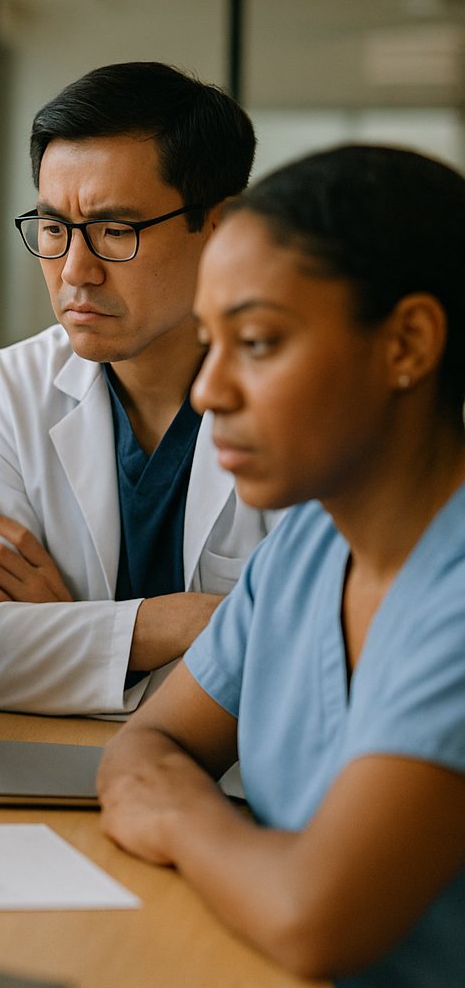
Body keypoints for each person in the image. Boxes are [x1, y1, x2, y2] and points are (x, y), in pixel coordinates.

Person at [97, 145, 465, 986]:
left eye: (257, 342)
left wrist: (180, 819)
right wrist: (240, 855)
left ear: (407, 342)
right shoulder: (305, 548)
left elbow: (315, 919)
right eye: (210, 343)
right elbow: (148, 742)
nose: (208, 391)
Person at [0, 61, 279, 716]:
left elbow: (318, 648)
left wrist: (74, 631)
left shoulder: (299, 397)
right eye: (54, 228)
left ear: (222, 227)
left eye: (115, 230)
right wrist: (183, 620)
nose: (76, 271)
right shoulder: (13, 387)